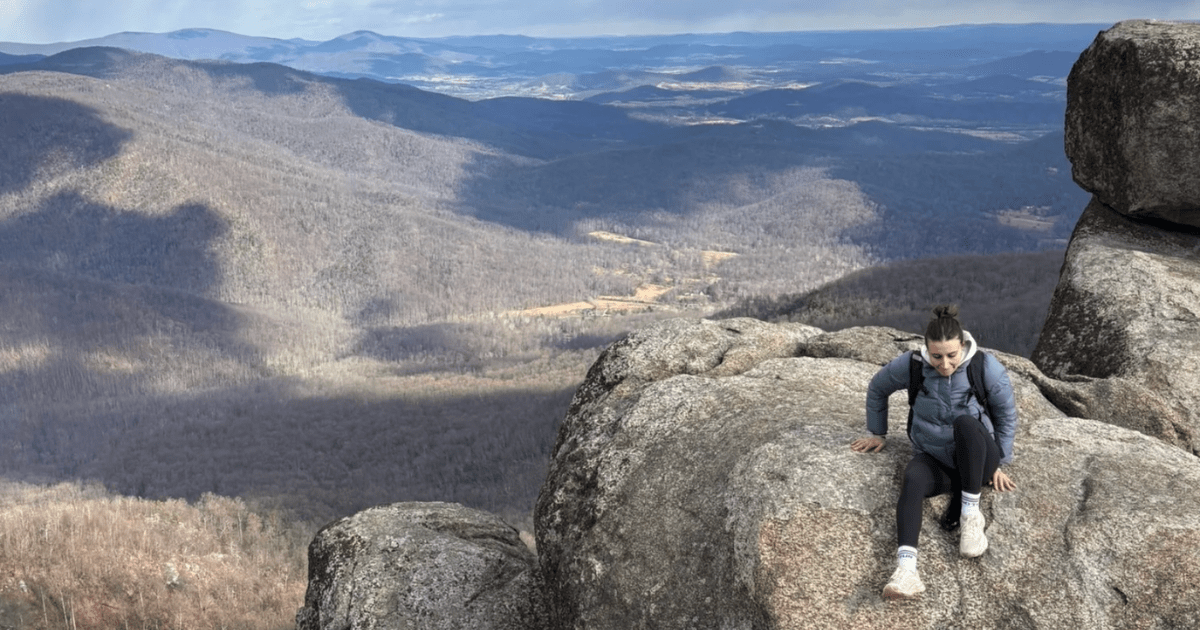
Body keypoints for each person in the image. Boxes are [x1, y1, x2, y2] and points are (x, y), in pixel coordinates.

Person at [850, 304, 1018, 599]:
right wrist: (878, 432)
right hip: (936, 459)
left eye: (951, 355)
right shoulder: (913, 365)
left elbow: (1006, 415)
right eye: (936, 356)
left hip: (979, 456)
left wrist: (999, 462)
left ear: (962, 346)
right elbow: (877, 387)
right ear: (926, 349)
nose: (944, 364)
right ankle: (907, 571)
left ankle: (970, 517)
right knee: (913, 477)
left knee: (965, 423)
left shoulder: (984, 367)